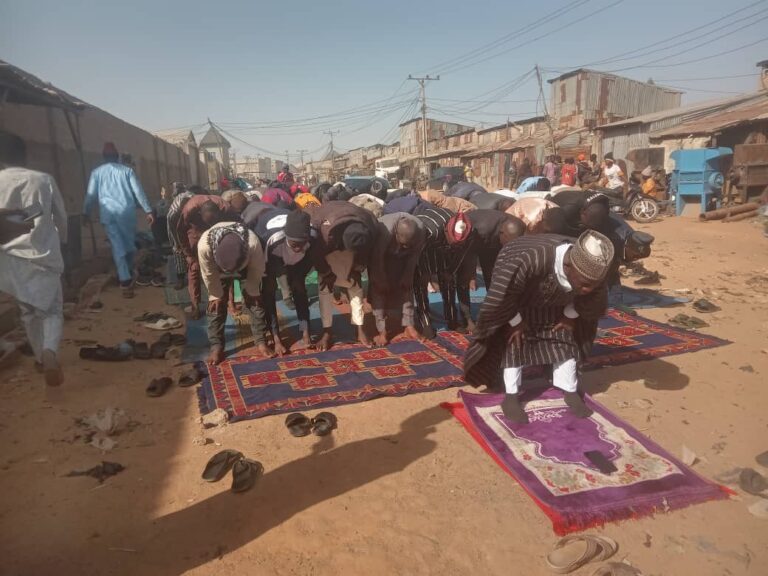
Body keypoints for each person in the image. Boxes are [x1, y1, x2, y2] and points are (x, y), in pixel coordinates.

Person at [463, 230, 614, 423]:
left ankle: (569, 390)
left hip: (556, 306)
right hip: (519, 303)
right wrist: (515, 322)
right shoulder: (527, 260)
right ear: (568, 267)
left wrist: (570, 316)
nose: (588, 290)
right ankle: (511, 398)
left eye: (593, 285)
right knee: (514, 344)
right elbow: (503, 296)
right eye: (585, 285)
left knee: (565, 342)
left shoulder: (592, 269)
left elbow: (595, 298)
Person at [0, 132, 67, 386]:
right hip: (41, 255)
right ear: (24, 155)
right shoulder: (42, 180)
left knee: (27, 310)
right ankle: (49, 351)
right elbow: (59, 215)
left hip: (8, 259)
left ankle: (39, 357)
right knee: (51, 310)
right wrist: (63, 240)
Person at [83, 142, 154, 298]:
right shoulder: (127, 172)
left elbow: (90, 196)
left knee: (121, 246)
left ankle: (125, 274)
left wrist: (85, 212)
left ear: (104, 157)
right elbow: (138, 192)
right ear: (118, 157)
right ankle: (125, 279)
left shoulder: (97, 173)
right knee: (125, 245)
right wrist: (148, 210)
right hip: (126, 214)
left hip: (108, 214)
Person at [309, 201, 378, 350]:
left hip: (352, 235)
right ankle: (327, 332)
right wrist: (326, 272)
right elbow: (315, 254)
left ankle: (360, 329)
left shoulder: (371, 225)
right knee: (324, 287)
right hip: (327, 245)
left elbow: (366, 251)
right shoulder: (322, 231)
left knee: (355, 285)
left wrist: (357, 267)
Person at [197, 221, 269, 364]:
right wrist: (215, 294)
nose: (232, 274)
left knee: (255, 301)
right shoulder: (205, 246)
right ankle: (216, 346)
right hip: (217, 268)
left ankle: (261, 341)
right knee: (215, 305)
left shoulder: (252, 244)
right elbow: (208, 274)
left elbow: (257, 270)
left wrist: (252, 291)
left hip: (246, 266)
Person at [250, 208, 315, 355]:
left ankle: (305, 331)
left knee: (299, 288)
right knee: (268, 291)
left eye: (302, 244)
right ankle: (275, 336)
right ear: (286, 237)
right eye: (294, 244)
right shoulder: (267, 241)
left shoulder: (313, 240)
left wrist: (306, 333)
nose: (298, 248)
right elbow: (267, 287)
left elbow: (303, 272)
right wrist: (277, 340)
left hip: (291, 253)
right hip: (272, 255)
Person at [456, 210, 526, 332]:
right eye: (508, 242)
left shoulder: (518, 225)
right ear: (502, 233)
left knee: (493, 276)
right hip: (468, 239)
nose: (508, 247)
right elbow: (468, 255)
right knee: (464, 277)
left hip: (491, 242)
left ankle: (495, 313)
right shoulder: (480, 229)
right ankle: (466, 319)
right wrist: (471, 275)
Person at [412, 205, 475, 337]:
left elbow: (461, 253)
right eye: (454, 242)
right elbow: (417, 253)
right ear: (447, 231)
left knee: (448, 280)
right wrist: (426, 273)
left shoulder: (469, 231)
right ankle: (425, 321)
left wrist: (450, 271)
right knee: (421, 281)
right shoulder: (428, 230)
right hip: (422, 247)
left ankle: (452, 320)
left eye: (459, 243)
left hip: (443, 249)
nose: (455, 245)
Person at [368, 213, 426, 346]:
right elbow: (377, 258)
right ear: (396, 234)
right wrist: (381, 278)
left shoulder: (421, 230)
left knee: (407, 286)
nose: (405, 246)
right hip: (380, 255)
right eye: (403, 243)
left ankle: (409, 325)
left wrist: (407, 275)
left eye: (409, 244)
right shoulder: (384, 230)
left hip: (404, 257)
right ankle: (382, 330)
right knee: (379, 288)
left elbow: (414, 256)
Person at [177, 194, 233, 318]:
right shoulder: (189, 210)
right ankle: (195, 307)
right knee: (194, 269)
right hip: (195, 234)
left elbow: (234, 225)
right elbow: (180, 231)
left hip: (218, 232)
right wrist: (188, 254)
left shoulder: (226, 208)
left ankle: (230, 303)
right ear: (200, 215)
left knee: (225, 268)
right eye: (208, 221)